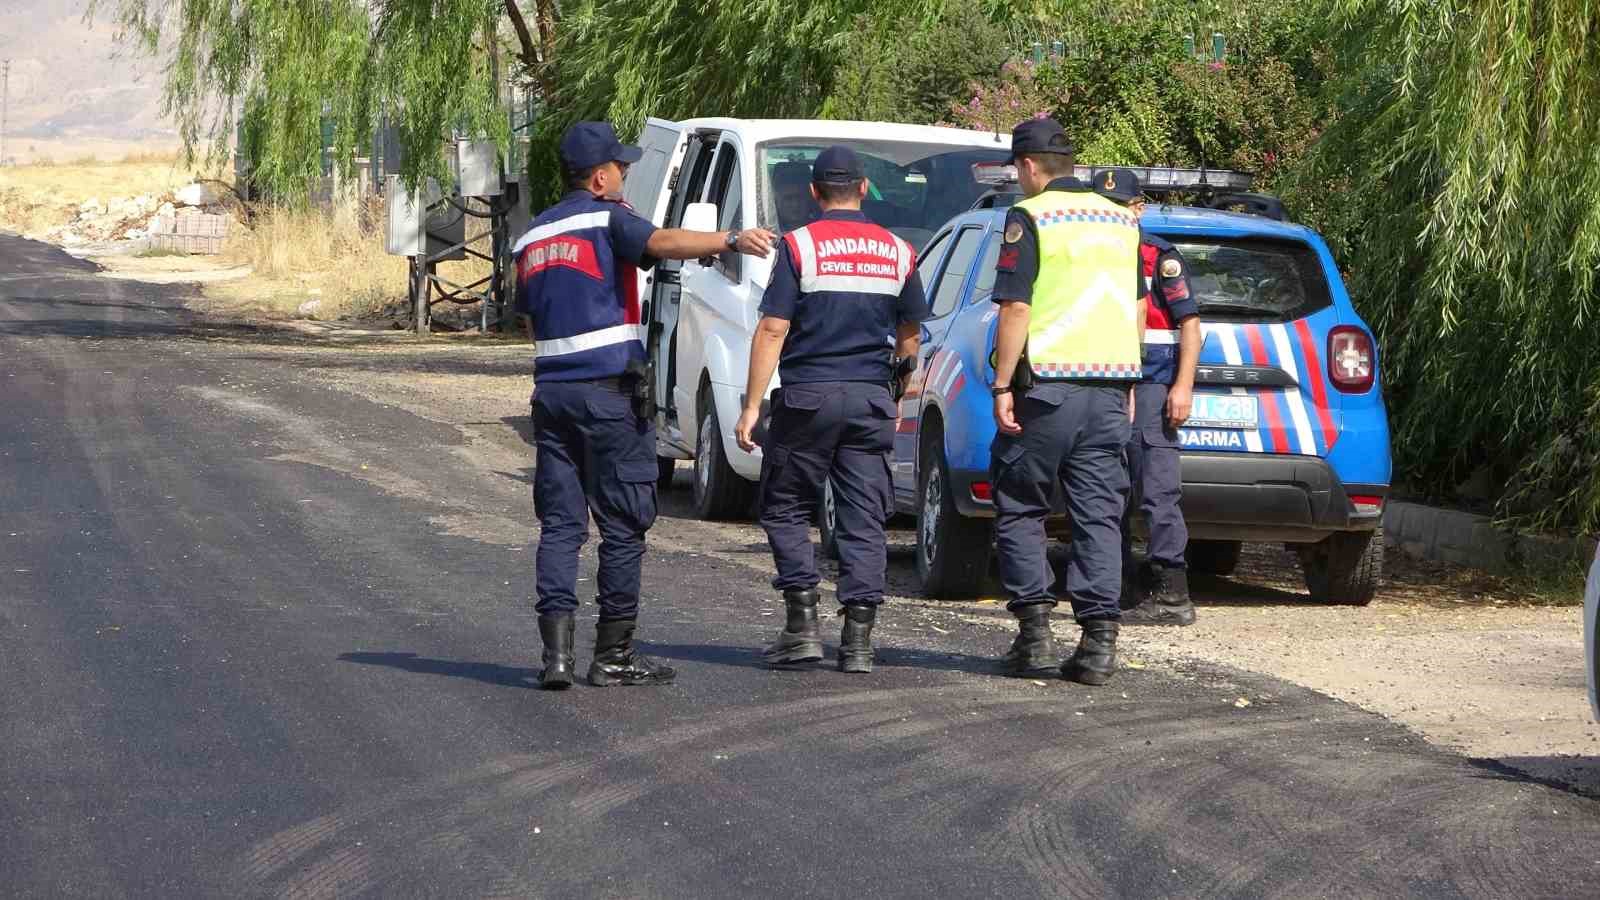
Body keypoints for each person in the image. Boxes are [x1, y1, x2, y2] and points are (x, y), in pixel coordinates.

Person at [516, 121, 775, 689]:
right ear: (601, 175)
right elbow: (660, 244)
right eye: (623, 171)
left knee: (561, 527)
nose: (626, 180)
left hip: (551, 396)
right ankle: (612, 655)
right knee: (625, 523)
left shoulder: (531, 236)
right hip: (607, 395)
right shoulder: (609, 217)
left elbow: (531, 315)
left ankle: (555, 657)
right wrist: (731, 240)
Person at [733, 145, 929, 674]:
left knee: (787, 507)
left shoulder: (798, 247)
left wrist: (751, 406)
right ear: (864, 188)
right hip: (869, 399)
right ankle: (859, 641)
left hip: (807, 397)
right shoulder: (898, 250)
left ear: (817, 193)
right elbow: (910, 336)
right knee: (864, 516)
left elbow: (774, 327)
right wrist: (897, 393)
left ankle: (802, 627)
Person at [988, 119, 1143, 686]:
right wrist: (1128, 385)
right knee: (1099, 515)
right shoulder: (1123, 222)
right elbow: (1135, 310)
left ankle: (1035, 637)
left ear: (1028, 166)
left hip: (1046, 390)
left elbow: (1016, 309)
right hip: (1108, 389)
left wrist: (1003, 384)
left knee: (1022, 504)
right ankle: (1098, 645)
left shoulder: (1030, 217)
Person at [1097, 171, 1202, 626]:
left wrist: (1182, 386)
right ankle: (1119, 588)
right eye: (1105, 208)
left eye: (1120, 206)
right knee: (1107, 491)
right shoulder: (1091, 253)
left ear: (1138, 208)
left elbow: (1190, 325)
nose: (1113, 216)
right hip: (1105, 383)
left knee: (1157, 491)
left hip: (1153, 383)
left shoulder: (1159, 256)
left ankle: (1172, 596)